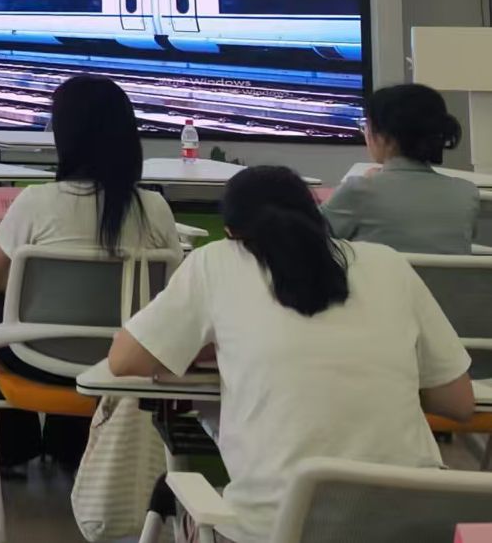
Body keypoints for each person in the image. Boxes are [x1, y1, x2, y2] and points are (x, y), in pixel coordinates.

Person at [113, 166, 474, 543]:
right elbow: (458, 401)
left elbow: (125, 360)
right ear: (315, 215)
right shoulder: (388, 263)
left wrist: (219, 349)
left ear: (232, 232)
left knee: (184, 505)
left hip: (271, 530)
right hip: (412, 527)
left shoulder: (216, 261)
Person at [0, 75, 179, 468]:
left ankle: (12, 447)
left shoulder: (35, 202)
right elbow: (171, 293)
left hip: (37, 360)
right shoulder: (154, 208)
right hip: (125, 362)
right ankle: (73, 446)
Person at [322, 83, 478, 253]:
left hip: (379, 272)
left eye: (366, 126)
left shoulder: (358, 190)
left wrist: (367, 182)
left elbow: (308, 237)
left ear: (385, 137)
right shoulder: (466, 193)